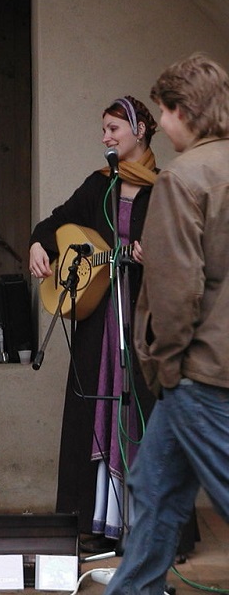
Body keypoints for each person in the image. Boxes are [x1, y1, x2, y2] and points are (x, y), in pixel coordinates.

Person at [104, 52, 229, 595]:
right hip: (205, 370)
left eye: (164, 111)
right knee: (153, 493)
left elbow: (177, 290)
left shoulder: (181, 178)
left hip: (198, 372)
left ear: (182, 110)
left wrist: (165, 365)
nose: (162, 123)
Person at [29, 95, 163, 552]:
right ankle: (93, 521)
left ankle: (147, 527)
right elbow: (55, 223)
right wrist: (38, 244)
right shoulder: (99, 185)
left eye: (113, 128)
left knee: (141, 413)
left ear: (139, 130)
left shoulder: (165, 189)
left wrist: (154, 256)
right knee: (95, 411)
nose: (105, 137)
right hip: (98, 323)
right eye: (103, 129)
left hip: (144, 323)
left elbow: (188, 253)